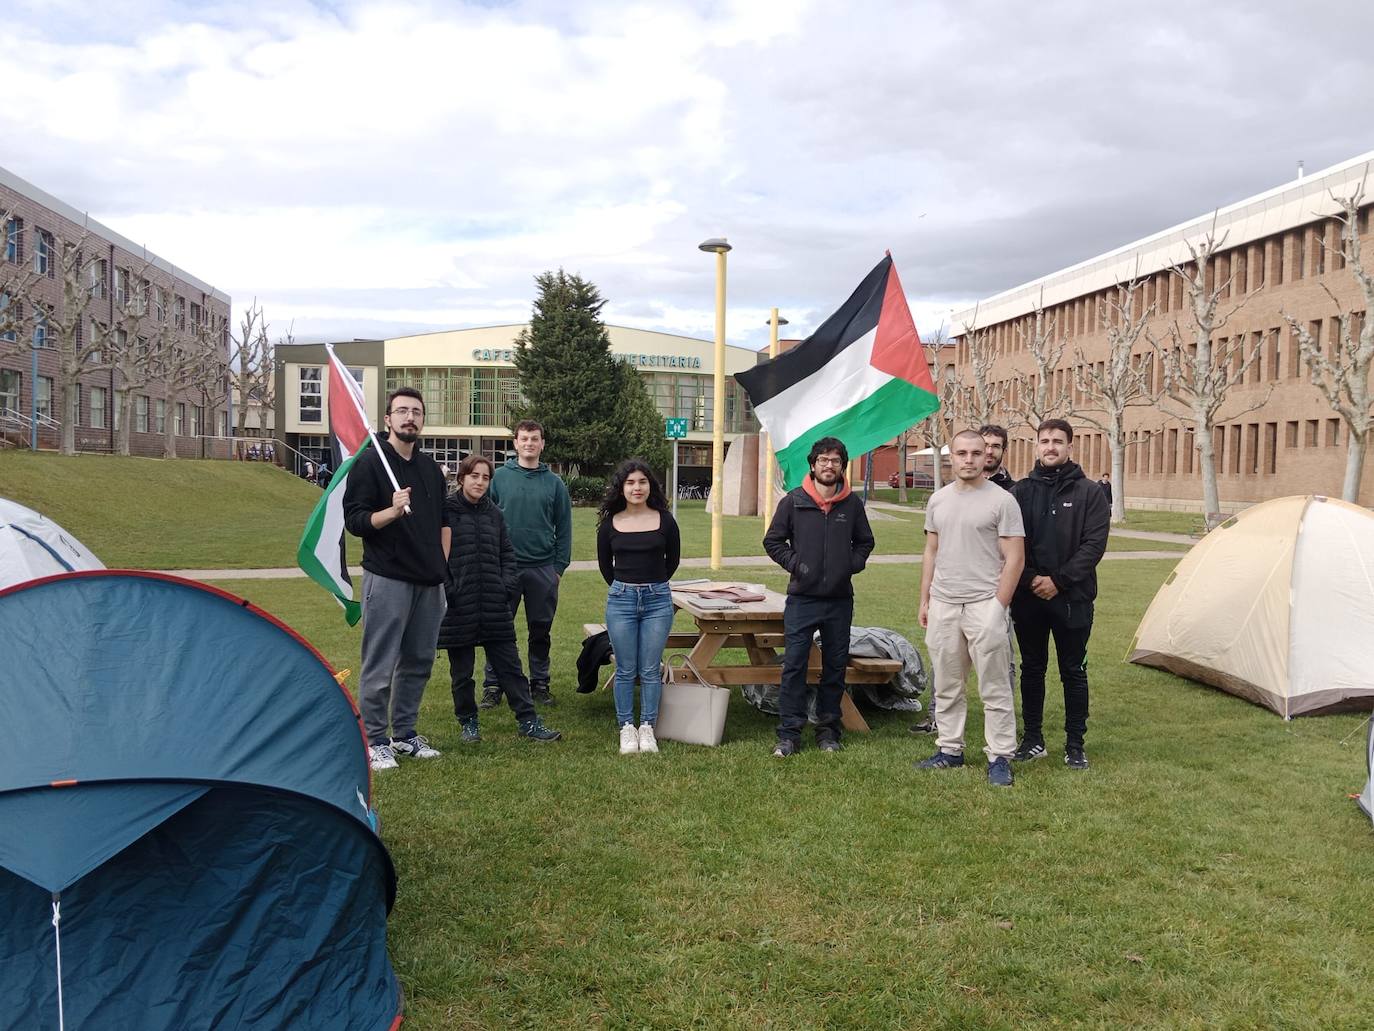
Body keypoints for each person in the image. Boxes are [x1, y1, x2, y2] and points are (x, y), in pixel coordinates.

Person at [343, 387, 449, 771]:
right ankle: (375, 740)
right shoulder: (370, 464)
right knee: (381, 662)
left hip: (429, 581)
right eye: (401, 411)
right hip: (387, 578)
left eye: (416, 412)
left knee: (419, 661)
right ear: (387, 419)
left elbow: (443, 523)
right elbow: (355, 522)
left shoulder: (429, 468)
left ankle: (404, 735)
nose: (410, 418)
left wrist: (442, 567)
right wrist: (390, 511)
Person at [916, 429, 1025, 787]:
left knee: (994, 686)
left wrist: (998, 606)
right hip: (945, 604)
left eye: (976, 453)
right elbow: (931, 551)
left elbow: (1015, 559)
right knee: (947, 684)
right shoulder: (939, 500)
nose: (968, 459)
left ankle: (999, 757)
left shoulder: (1002, 502)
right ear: (952, 456)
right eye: (961, 453)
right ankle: (950, 750)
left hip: (984, 605)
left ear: (985, 457)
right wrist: (925, 598)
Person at [763, 436, 875, 757]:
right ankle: (789, 733)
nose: (829, 466)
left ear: (842, 466)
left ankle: (828, 731)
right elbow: (773, 542)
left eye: (835, 461)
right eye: (823, 460)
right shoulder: (794, 501)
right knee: (794, 666)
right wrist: (796, 564)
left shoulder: (851, 504)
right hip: (802, 599)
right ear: (812, 465)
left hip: (839, 600)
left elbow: (865, 542)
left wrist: (849, 565)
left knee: (835, 667)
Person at [437, 455, 561, 744]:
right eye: (474, 476)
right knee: (462, 673)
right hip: (459, 604)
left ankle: (528, 721)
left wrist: (506, 586)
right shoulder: (447, 512)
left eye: (485, 477)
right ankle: (468, 722)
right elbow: (436, 556)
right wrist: (449, 588)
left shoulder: (494, 514)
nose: (480, 482)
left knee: (510, 667)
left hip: (494, 602)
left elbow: (507, 554)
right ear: (461, 478)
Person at [1010, 419, 1110, 770]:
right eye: (1044, 441)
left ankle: (1074, 743)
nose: (1050, 447)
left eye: (1057, 441)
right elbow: (1009, 544)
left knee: (1073, 671)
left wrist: (1060, 581)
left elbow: (1093, 545)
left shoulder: (1090, 493)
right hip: (1029, 599)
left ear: (1070, 446)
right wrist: (1031, 579)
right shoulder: (1020, 492)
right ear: (1036, 446)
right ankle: (1033, 739)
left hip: (1074, 599)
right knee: (1032, 669)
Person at [482, 421, 573, 708]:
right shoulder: (499, 479)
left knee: (540, 630)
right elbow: (485, 520)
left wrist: (558, 567)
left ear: (542, 444)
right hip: (505, 568)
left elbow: (564, 527)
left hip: (542, 568)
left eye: (535, 439)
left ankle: (540, 683)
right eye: (524, 439)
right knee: (498, 628)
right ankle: (494, 684)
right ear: (516, 444)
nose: (530, 443)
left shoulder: (554, 483)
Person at [596, 458, 682, 754]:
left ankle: (647, 727)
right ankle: (626, 728)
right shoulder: (610, 523)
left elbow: (673, 561)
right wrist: (626, 588)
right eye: (630, 482)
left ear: (650, 486)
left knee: (649, 669)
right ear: (621, 488)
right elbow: (605, 566)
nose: (636, 488)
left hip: (658, 600)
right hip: (621, 600)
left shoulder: (665, 520)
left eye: (642, 482)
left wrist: (653, 585)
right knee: (624, 669)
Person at [979, 423, 1015, 490]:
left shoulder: (1016, 491)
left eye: (995, 446)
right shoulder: (960, 488)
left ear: (1004, 451)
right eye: (985, 445)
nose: (989, 451)